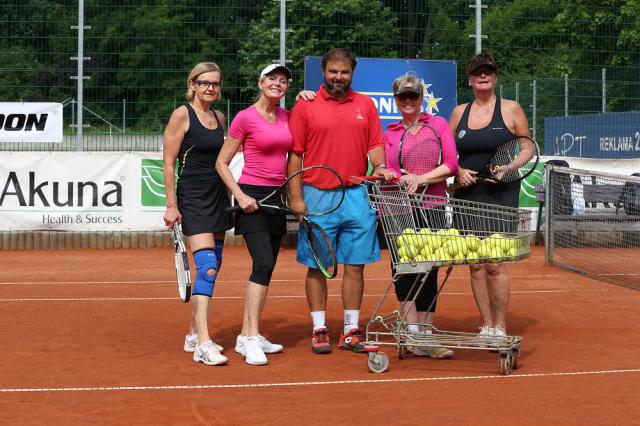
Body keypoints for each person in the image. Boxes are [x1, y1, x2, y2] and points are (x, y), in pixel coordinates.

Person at [287, 48, 395, 355]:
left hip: (356, 195)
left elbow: (375, 145)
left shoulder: (366, 105)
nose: (338, 77)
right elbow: (295, 155)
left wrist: (381, 166)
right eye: (333, 71)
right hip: (317, 195)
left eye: (344, 72)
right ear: (323, 71)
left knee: (356, 266)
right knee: (317, 266)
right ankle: (319, 329)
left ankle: (350, 331)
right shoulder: (305, 106)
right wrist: (296, 198)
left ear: (352, 73)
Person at [448, 52, 530, 340]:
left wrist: (508, 168)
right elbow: (448, 154)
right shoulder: (459, 113)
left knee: (495, 263)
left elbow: (527, 147)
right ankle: (486, 326)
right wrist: (457, 171)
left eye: (488, 72)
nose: (483, 76)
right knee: (475, 265)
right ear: (470, 79)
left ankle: (500, 326)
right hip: (467, 195)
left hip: (501, 193)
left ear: (495, 77)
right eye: (477, 72)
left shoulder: (511, 109)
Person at [216, 64, 292, 365]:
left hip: (277, 198)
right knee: (261, 264)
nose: (277, 84)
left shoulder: (288, 116)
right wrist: (241, 195)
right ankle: (249, 338)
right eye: (272, 78)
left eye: (283, 80)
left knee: (269, 266)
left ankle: (249, 333)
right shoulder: (245, 117)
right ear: (261, 83)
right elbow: (222, 163)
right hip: (252, 196)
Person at [383, 75, 458, 358]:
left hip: (432, 205)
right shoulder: (388, 133)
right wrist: (389, 174)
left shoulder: (437, 125)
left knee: (429, 270)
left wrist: (420, 179)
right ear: (396, 99)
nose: (408, 101)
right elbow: (383, 169)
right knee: (403, 271)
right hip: (397, 210)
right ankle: (412, 335)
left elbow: (451, 164)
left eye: (413, 96)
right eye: (403, 97)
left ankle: (427, 336)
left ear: (421, 97)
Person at [163, 62, 230, 366]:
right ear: (192, 84)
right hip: (192, 198)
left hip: (218, 198)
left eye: (215, 83)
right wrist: (171, 205)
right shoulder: (181, 115)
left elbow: (222, 161)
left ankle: (192, 334)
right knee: (207, 268)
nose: (210, 88)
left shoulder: (219, 116)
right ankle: (204, 342)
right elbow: (168, 163)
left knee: (213, 265)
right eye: (204, 83)